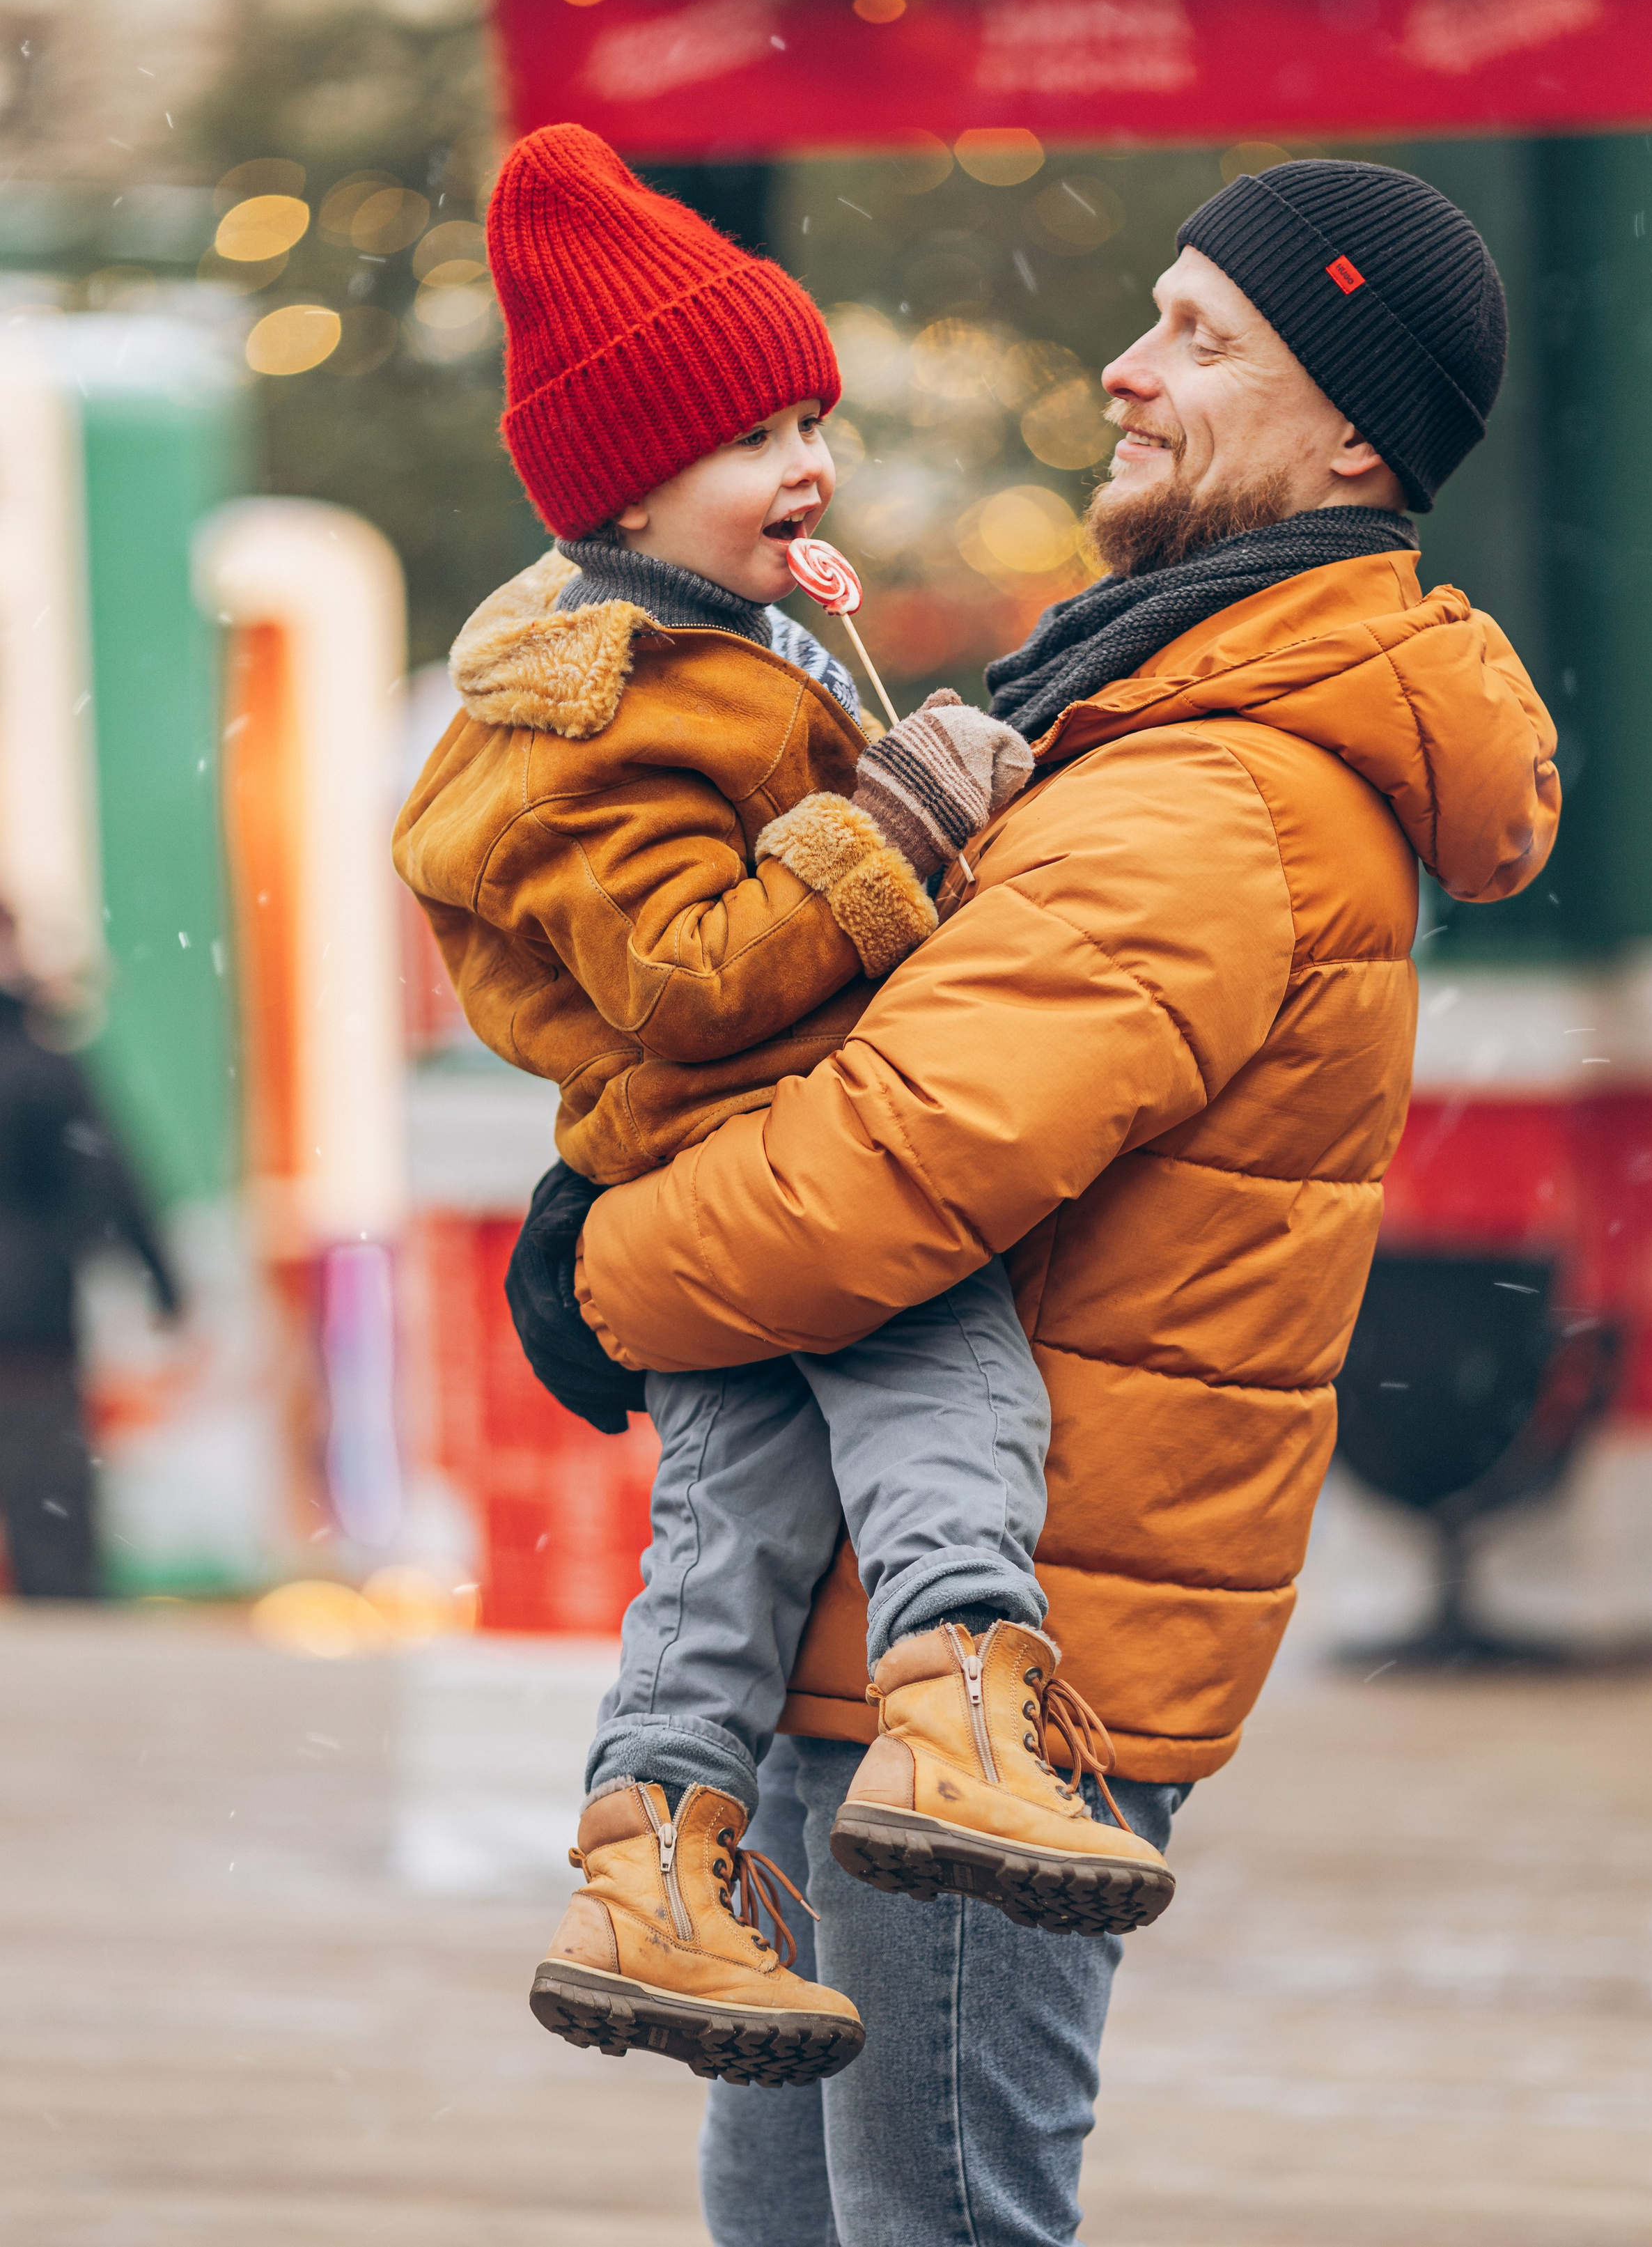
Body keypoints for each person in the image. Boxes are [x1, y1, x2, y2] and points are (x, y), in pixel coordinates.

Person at [533, 157, 1562, 2245]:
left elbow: (880, 1176)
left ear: (1349, 427)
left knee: (928, 2219)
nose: (1124, 365)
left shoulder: (1214, 781)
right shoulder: (1145, 702)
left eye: (1200, 335)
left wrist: (598, 1262)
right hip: (914, 1633)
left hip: (1001, 1650)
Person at [393, 128, 1174, 2090]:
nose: (807, 461)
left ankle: (649, 1863)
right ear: (630, 483)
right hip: (766, 1148)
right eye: (754, 434)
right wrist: (898, 815)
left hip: (690, 1174)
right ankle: (965, 1711)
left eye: (811, 413)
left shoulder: (710, 655)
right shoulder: (617, 709)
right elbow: (682, 975)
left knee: (728, 1541)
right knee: (952, 1382)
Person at [0, 912, 181, 1598]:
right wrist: (164, 1282)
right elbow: (107, 1179)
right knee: (52, 1530)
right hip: (30, 1327)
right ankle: (64, 1668)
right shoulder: (40, 1060)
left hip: (28, 1323)